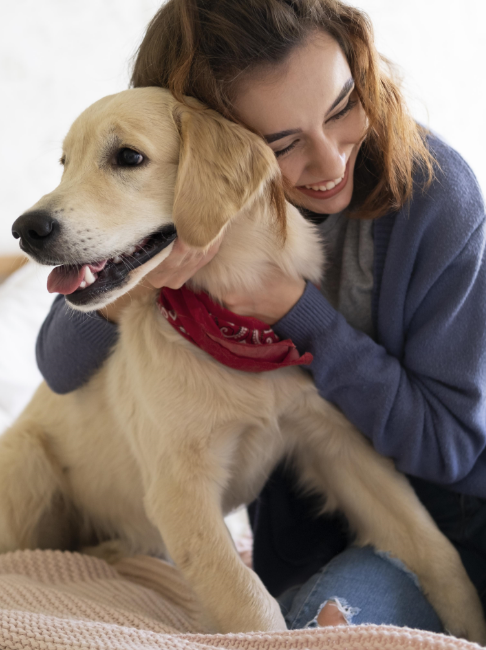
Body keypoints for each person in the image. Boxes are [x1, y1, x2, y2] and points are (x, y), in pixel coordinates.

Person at [36, 0, 486, 634]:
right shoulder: (180, 244)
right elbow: (57, 366)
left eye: (342, 107)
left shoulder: (437, 194)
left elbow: (451, 447)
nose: (331, 164)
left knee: (339, 620)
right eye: (282, 143)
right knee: (321, 619)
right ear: (211, 145)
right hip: (302, 540)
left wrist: (300, 315)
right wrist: (134, 281)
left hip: (460, 510)